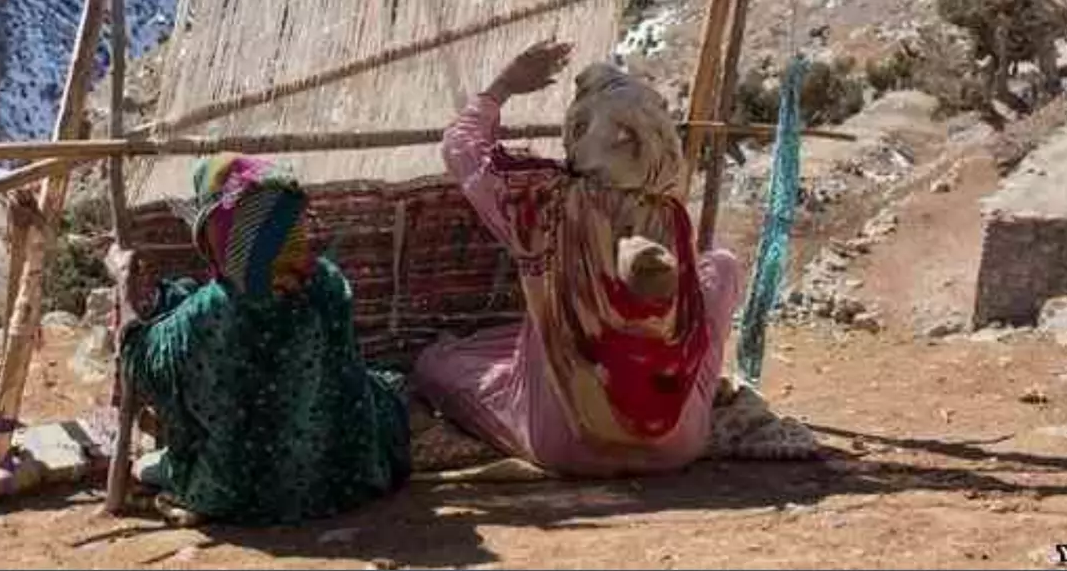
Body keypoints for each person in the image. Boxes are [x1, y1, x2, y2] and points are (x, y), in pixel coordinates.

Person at [412, 39, 744, 476]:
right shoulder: (670, 217)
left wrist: (504, 86)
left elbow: (461, 146)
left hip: (566, 443)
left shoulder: (543, 202)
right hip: (677, 443)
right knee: (721, 267)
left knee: (438, 363)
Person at [119, 154, 410, 524]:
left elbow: (138, 358)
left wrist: (122, 288)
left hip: (241, 491)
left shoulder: (213, 311)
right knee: (383, 389)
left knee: (153, 466)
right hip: (343, 478)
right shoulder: (328, 283)